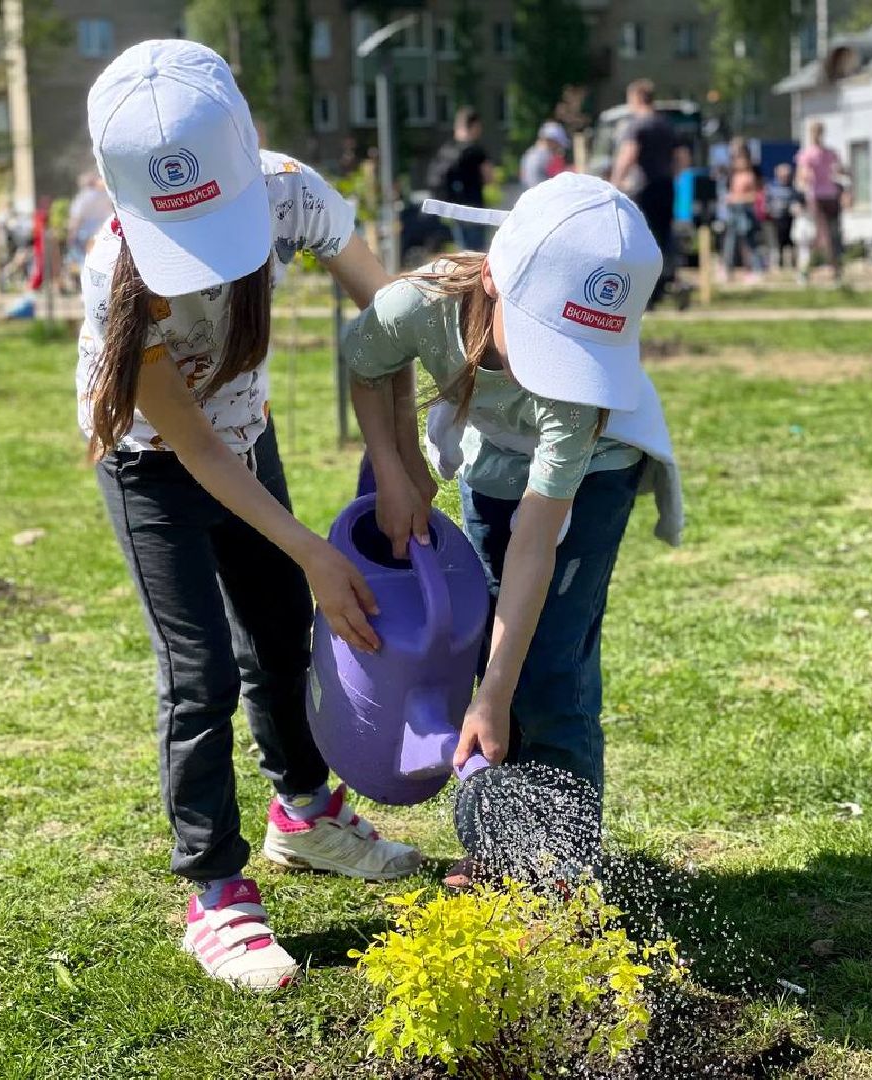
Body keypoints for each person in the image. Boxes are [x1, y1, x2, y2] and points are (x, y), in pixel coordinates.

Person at [78, 40, 426, 992]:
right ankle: (215, 892)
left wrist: (404, 459)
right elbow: (190, 447)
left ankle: (305, 816)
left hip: (249, 439)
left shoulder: (290, 192)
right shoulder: (115, 269)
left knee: (281, 643)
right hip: (156, 469)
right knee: (198, 678)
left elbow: (390, 317)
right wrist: (313, 548)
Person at [343, 172, 683, 882]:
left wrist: (494, 695)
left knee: (549, 665)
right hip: (491, 461)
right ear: (493, 279)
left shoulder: (574, 398)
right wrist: (397, 469)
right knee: (488, 637)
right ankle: (505, 851)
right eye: (540, 341)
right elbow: (366, 364)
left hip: (592, 476)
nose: (549, 370)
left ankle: (563, 869)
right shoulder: (421, 304)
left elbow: (538, 536)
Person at [610, 79, 677, 305]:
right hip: (666, 185)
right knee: (664, 237)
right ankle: (663, 286)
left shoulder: (637, 125)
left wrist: (614, 183)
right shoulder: (665, 125)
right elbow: (682, 157)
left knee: (641, 238)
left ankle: (645, 292)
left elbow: (629, 154)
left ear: (636, 98)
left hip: (643, 187)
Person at [429, 107, 494, 250]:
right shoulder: (475, 151)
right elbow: (489, 177)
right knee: (477, 254)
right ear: (475, 125)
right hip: (474, 209)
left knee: (464, 252)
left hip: (455, 209)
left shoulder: (446, 150)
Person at [795, 121, 844, 283]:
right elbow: (802, 176)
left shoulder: (830, 153)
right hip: (816, 197)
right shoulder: (807, 154)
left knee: (833, 234)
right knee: (819, 235)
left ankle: (835, 270)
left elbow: (839, 171)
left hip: (830, 196)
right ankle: (806, 270)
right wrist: (806, 177)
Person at [721, 146, 766, 281]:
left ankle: (756, 269)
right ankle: (728, 270)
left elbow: (756, 194)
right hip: (734, 210)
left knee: (750, 240)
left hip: (746, 210)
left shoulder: (751, 175)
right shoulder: (733, 175)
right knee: (730, 241)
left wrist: (739, 198)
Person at [65, 171, 113, 280]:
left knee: (85, 260)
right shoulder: (105, 195)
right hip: (102, 230)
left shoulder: (83, 197)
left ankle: (86, 284)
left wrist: (71, 235)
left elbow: (76, 218)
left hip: (85, 232)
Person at [762, 162, 799, 269]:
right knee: (776, 244)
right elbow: (766, 203)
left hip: (790, 219)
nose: (785, 178)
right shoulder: (771, 187)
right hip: (775, 219)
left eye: (787, 175)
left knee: (790, 243)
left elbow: (797, 201)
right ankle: (776, 265)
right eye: (783, 175)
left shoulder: (793, 189)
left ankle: (792, 265)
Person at [519, 121, 571, 191]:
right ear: (551, 141)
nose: (559, 148)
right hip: (542, 196)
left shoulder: (531, 153)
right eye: (558, 144)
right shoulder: (544, 156)